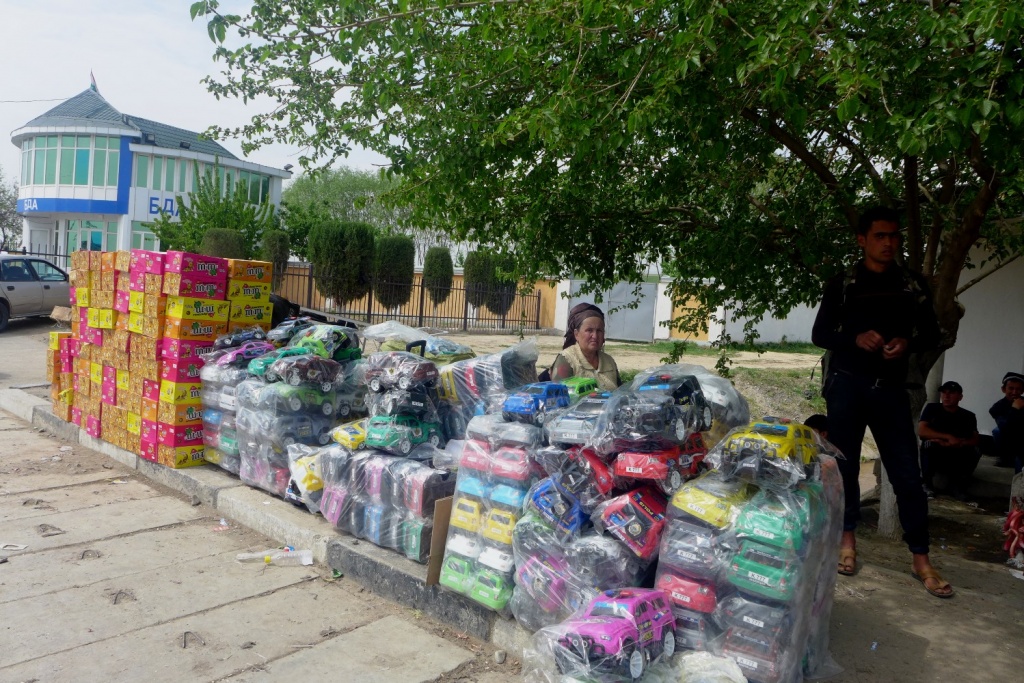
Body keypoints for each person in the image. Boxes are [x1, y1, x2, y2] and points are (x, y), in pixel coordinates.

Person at [811, 206, 953, 598]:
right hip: (846, 386)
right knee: (844, 467)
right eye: (880, 236)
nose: (889, 243)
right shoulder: (844, 283)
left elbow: (933, 334)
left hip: (891, 389)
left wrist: (908, 343)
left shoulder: (911, 284)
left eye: (894, 236)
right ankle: (847, 541)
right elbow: (820, 334)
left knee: (906, 472)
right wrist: (854, 339)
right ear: (862, 240)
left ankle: (921, 558)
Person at [918, 381, 980, 500]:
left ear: (960, 397)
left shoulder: (968, 416)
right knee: (929, 444)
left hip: (956, 452)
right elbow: (922, 431)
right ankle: (927, 483)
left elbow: (975, 439)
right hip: (936, 452)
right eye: (944, 392)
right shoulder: (932, 408)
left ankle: (957, 486)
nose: (946, 396)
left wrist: (958, 443)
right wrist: (948, 437)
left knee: (976, 451)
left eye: (951, 393)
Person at [548, 302, 621, 391]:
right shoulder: (567, 359)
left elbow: (620, 392)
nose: (595, 336)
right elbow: (558, 394)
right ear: (576, 334)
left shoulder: (609, 361)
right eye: (589, 330)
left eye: (599, 331)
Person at [990, 371, 1024, 473]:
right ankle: (1005, 458)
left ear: (1022, 390)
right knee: (997, 431)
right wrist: (1015, 409)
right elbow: (1006, 427)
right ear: (1003, 389)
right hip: (1010, 438)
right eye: (1011, 388)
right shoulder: (997, 407)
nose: (1014, 392)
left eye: (1018, 389)